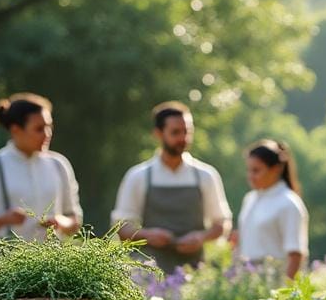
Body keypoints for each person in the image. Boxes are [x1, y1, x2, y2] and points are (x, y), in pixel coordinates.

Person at [110, 101, 231, 272]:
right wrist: (149, 236)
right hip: (148, 273)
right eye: (175, 132)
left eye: (187, 132)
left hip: (194, 270)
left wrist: (200, 237)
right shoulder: (138, 176)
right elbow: (121, 228)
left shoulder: (206, 175)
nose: (183, 138)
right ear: (158, 134)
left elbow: (221, 223)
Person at [0, 92, 82, 243]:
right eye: (39, 128)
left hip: (55, 264)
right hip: (6, 265)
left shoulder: (59, 164)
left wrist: (60, 222)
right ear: (16, 129)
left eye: (49, 126)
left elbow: (75, 221)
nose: (47, 134)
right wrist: (3, 220)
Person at [232, 139, 309, 279]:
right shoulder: (250, 199)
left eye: (256, 171)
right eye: (248, 170)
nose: (250, 176)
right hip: (247, 279)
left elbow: (295, 254)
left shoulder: (289, 203)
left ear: (276, 169)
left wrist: (284, 292)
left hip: (274, 279)